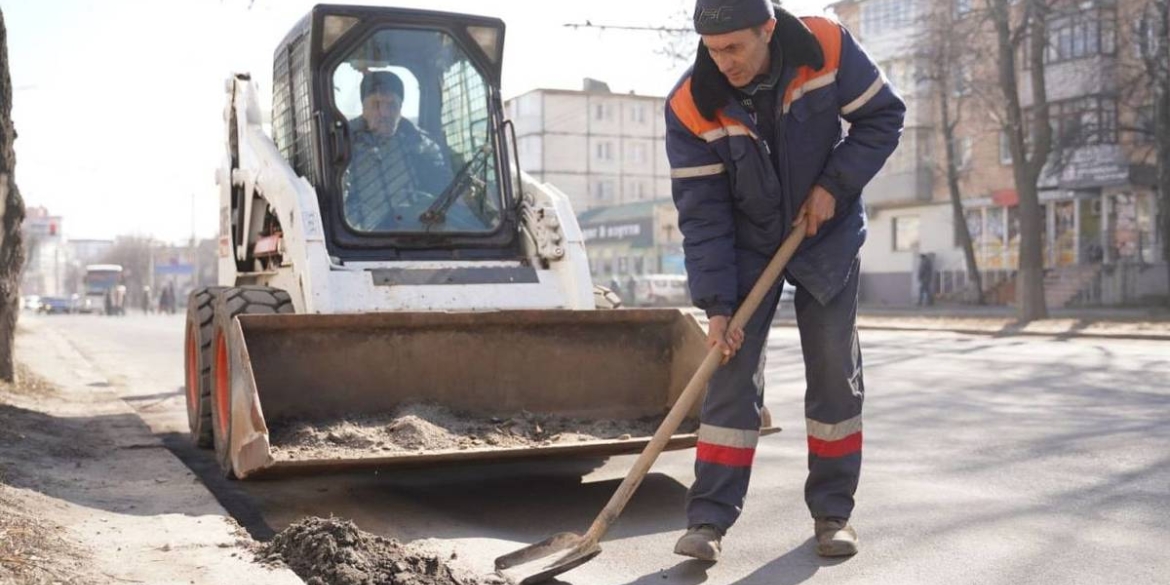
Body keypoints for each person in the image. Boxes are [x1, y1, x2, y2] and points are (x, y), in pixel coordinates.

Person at [665, 0, 905, 561]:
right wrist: (718, 306)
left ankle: (832, 513)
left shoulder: (827, 45)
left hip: (825, 230)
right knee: (729, 372)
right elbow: (702, 214)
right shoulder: (690, 104)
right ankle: (708, 521)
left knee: (832, 371)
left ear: (767, 29)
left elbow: (882, 117)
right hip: (747, 244)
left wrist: (834, 185)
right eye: (712, 49)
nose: (723, 62)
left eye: (735, 48)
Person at [343, 71, 453, 231]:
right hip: (358, 239)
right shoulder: (341, 143)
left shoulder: (422, 146)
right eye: (377, 105)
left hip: (413, 236)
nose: (385, 113)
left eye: (392, 105)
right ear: (364, 108)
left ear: (401, 108)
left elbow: (442, 191)